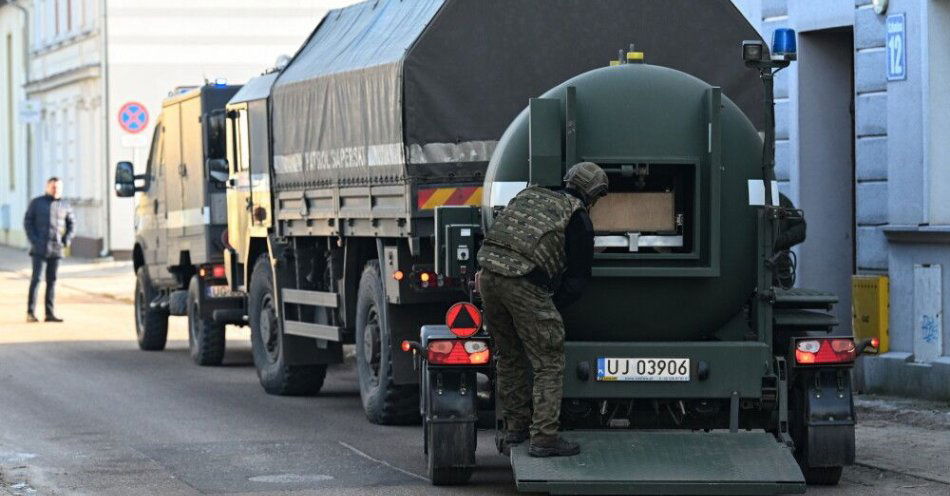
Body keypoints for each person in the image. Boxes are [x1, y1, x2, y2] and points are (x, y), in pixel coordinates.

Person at [477, 162, 608, 458]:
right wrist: (548, 306)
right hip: (522, 281)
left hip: (488, 275)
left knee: (509, 356)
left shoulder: (530, 194)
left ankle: (515, 430)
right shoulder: (577, 217)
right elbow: (577, 280)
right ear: (593, 193)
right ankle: (544, 438)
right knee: (548, 361)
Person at [24, 177, 74, 323]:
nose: (55, 190)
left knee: (52, 281)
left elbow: (72, 224)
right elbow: (28, 222)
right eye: (53, 187)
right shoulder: (37, 203)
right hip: (39, 248)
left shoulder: (65, 205)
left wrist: (66, 240)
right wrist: (34, 240)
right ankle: (30, 313)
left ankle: (49, 313)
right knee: (36, 280)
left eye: (58, 187)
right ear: (47, 187)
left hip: (56, 249)